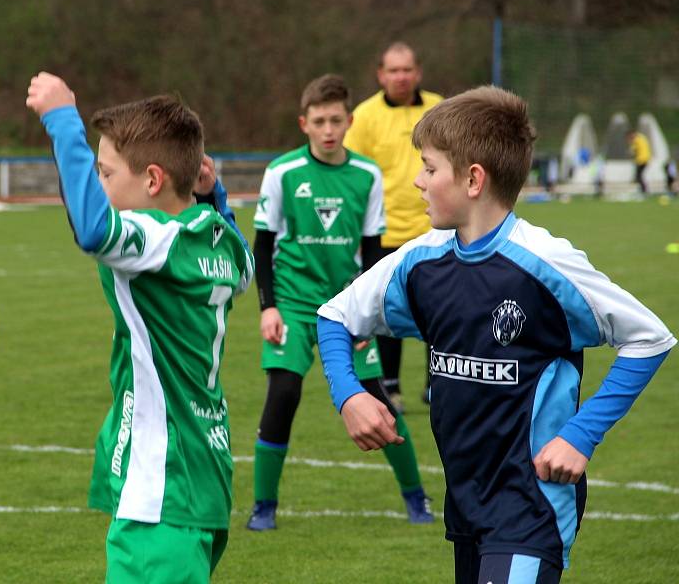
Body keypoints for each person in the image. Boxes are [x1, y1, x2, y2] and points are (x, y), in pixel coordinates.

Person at [318, 86, 675, 583]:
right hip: (465, 501)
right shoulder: (420, 259)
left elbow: (650, 338)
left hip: (531, 503)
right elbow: (335, 317)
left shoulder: (546, 264)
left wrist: (580, 434)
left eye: (428, 167)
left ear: (473, 179)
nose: (417, 182)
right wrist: (349, 394)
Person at [26, 72, 253, 583]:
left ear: (152, 181)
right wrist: (215, 196)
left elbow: (93, 229)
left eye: (105, 174)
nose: (99, 186)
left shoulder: (156, 239)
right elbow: (245, 269)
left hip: (161, 487)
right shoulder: (218, 238)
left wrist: (63, 120)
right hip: (204, 478)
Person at [246, 74, 433, 531]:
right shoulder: (283, 173)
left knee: (376, 399)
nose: (328, 129)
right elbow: (263, 246)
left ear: (349, 121)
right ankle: (263, 508)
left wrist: (366, 312)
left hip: (345, 309)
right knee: (284, 392)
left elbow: (373, 253)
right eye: (318, 121)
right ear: (303, 124)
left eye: (335, 120)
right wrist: (267, 307)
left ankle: (416, 498)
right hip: (290, 302)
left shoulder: (367, 175)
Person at [344, 41, 443, 409]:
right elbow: (352, 176)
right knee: (388, 310)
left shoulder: (440, 108)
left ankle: (437, 381)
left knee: (440, 307)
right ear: (381, 75)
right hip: (383, 234)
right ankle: (391, 386)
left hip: (435, 231)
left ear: (417, 72)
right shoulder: (364, 117)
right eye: (393, 70)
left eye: (407, 70)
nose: (400, 77)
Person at [628, 129, 651, 195]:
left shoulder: (636, 140)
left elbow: (632, 151)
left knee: (639, 176)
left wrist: (631, 144)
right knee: (639, 176)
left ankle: (644, 191)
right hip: (646, 159)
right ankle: (643, 190)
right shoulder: (642, 137)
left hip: (641, 160)